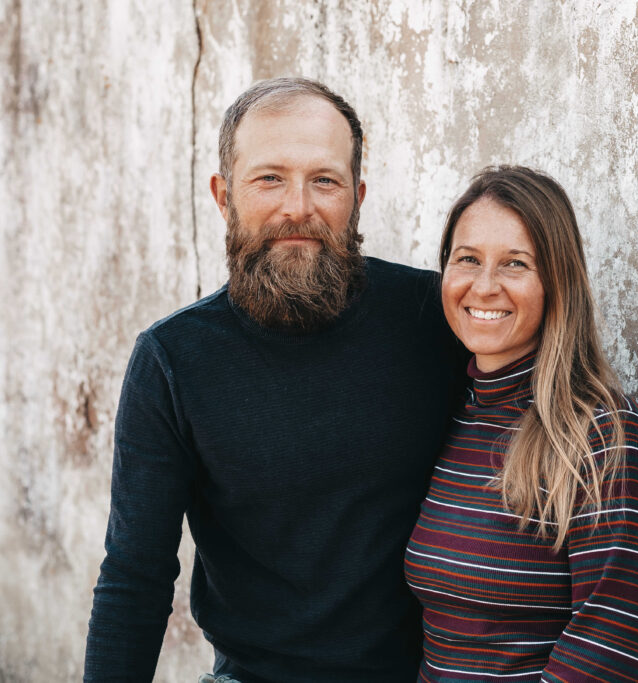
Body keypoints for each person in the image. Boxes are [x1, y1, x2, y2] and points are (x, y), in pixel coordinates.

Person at [85, 78, 463, 682]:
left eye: (324, 180)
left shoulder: (434, 319)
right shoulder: (172, 360)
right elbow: (136, 574)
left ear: (357, 197)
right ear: (222, 194)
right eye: (269, 178)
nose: (298, 206)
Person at [405, 166, 638, 682]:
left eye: (515, 264)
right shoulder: (452, 415)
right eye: (468, 260)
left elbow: (602, 654)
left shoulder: (603, 435)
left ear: (555, 281)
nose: (484, 286)